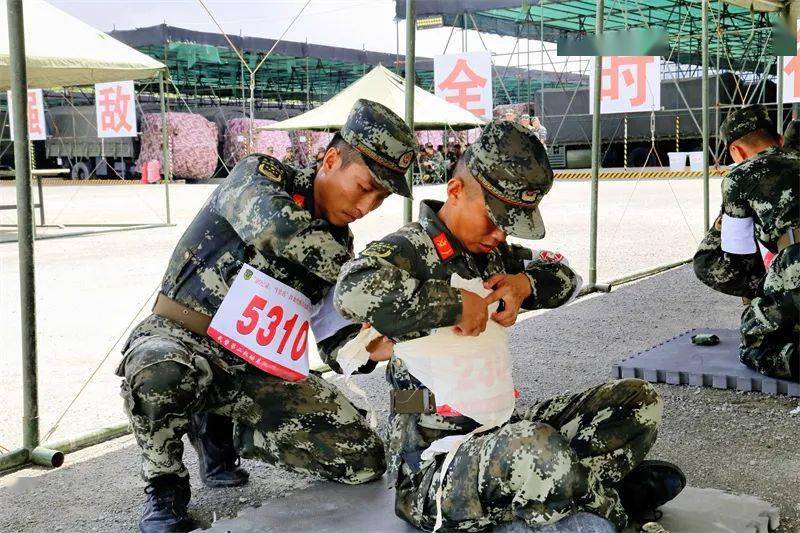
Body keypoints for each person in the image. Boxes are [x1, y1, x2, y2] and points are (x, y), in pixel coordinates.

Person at [335, 120, 685, 532]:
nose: (501, 233)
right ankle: (602, 504)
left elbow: (566, 278)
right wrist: (450, 305)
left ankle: (561, 494)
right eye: (495, 218)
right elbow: (350, 291)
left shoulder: (493, 252)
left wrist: (526, 285)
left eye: (511, 223)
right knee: (535, 448)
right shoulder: (408, 249)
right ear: (456, 190)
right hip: (435, 465)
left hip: (502, 431)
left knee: (637, 401)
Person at [116, 98, 417, 532]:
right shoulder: (260, 177)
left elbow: (335, 339)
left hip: (256, 368)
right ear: (331, 159)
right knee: (158, 367)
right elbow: (279, 230)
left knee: (362, 458)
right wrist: (385, 285)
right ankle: (165, 485)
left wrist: (374, 345)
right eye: (365, 186)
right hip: (183, 338)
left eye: (381, 197)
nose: (369, 205)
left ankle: (220, 425)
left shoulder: (342, 249)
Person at [693, 104, 799, 380]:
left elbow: (736, 256)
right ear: (778, 139)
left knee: (756, 348)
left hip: (796, 266)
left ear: (736, 152)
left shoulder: (739, 177)